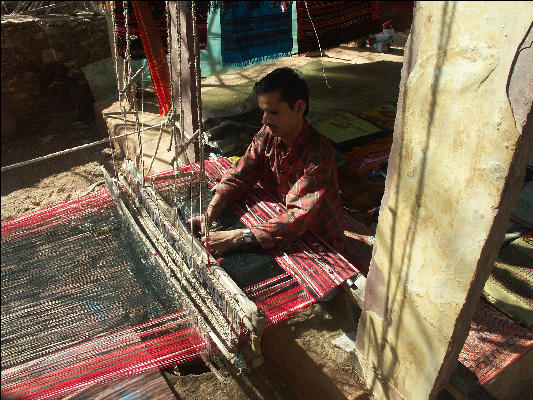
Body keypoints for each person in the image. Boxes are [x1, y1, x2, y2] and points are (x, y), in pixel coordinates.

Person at [189, 67, 344, 256]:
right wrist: (210, 212)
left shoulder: (319, 157)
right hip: (280, 215)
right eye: (263, 111)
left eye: (273, 112)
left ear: (299, 108)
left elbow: (297, 218)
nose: (265, 120)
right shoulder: (268, 135)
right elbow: (241, 174)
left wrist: (238, 237)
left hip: (316, 239)